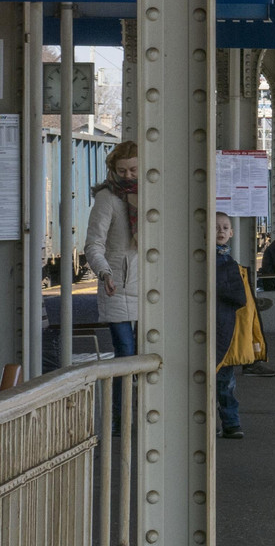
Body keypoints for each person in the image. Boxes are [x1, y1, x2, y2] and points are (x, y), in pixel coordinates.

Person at [84, 140, 139, 431]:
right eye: (122, 170)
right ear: (113, 170)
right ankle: (120, 419)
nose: (128, 176)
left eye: (133, 169)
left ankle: (144, 414)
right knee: (126, 354)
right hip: (116, 286)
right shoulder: (107, 198)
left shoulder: (155, 194)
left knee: (147, 353)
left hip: (149, 287)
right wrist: (104, 272)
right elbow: (94, 244)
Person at [214, 212, 247, 438]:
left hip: (222, 326)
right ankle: (231, 423)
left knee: (224, 378)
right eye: (216, 227)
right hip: (224, 325)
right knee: (225, 379)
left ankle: (230, 423)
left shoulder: (227, 262)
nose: (221, 231)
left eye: (225, 227)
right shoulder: (229, 263)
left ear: (232, 233)